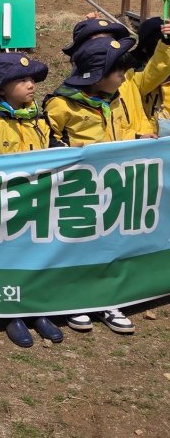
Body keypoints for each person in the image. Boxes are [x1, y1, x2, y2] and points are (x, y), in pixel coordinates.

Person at [43, 36, 139, 335]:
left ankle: (108, 300)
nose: (124, 78)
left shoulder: (115, 99)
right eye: (118, 72)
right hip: (78, 192)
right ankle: (75, 299)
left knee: (109, 244)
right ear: (97, 74)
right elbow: (47, 143)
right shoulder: (61, 104)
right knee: (76, 246)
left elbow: (123, 131)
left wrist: (139, 141)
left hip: (115, 187)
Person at [0, 52, 64, 348]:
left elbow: (53, 151)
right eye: (21, 80)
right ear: (1, 89)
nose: (31, 85)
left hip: (40, 202)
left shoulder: (39, 118)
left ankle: (38, 310)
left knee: (36, 255)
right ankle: (11, 312)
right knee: (8, 257)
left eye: (31, 79)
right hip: (6, 205)